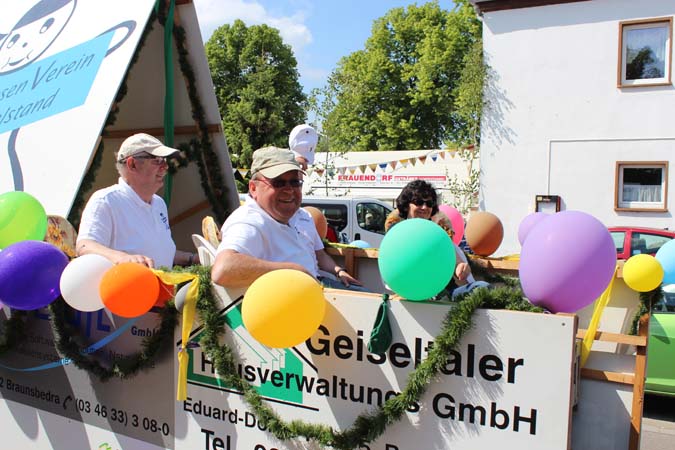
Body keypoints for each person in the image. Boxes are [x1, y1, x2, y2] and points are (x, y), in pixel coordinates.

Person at [212, 146, 365, 291]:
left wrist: (339, 271)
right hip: (293, 300)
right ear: (253, 188)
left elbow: (319, 254)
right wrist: (292, 270)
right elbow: (223, 270)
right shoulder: (249, 221)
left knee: (368, 295)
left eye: (295, 182)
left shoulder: (295, 216)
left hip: (314, 288)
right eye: (278, 182)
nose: (289, 190)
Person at [76, 133, 196, 269]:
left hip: (160, 282)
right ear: (132, 164)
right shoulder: (105, 201)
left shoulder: (159, 204)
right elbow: (84, 246)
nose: (165, 167)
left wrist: (192, 258)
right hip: (123, 283)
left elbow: (159, 251)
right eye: (157, 160)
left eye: (164, 160)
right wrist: (123, 258)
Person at [385, 180, 488, 299]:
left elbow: (455, 259)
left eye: (429, 203)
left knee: (482, 287)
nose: (424, 207)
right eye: (418, 202)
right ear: (407, 205)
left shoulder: (438, 234)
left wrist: (461, 267)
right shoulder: (396, 232)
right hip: (408, 292)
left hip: (443, 293)